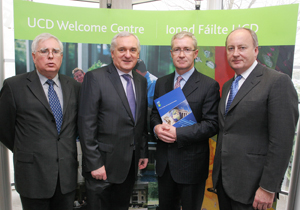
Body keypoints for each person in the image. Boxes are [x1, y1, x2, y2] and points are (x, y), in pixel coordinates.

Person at [212, 28, 299, 210]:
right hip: (224, 182)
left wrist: (268, 187)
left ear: (256, 50)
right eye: (231, 48)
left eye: (242, 47)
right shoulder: (229, 85)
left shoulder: (277, 82)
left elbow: (282, 141)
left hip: (253, 188)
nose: (235, 53)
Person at [0, 33, 81, 210]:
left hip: (66, 175)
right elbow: (4, 128)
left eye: (55, 51)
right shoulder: (14, 86)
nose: (50, 56)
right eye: (44, 51)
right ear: (34, 56)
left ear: (61, 56)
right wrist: (28, 148)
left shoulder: (74, 86)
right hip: (32, 176)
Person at [78, 31, 148, 210]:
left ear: (138, 54)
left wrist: (142, 152)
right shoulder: (95, 78)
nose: (127, 54)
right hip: (102, 168)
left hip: (129, 167)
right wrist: (95, 163)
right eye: (122, 49)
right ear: (112, 53)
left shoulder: (141, 81)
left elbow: (139, 121)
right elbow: (86, 124)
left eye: (133, 50)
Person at [150, 31, 220, 210]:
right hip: (165, 166)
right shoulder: (162, 83)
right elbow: (154, 115)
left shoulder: (208, 85)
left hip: (192, 167)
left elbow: (212, 124)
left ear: (196, 53)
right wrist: (157, 127)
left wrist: (178, 133)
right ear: (171, 53)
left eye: (187, 49)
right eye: (177, 49)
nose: (181, 54)